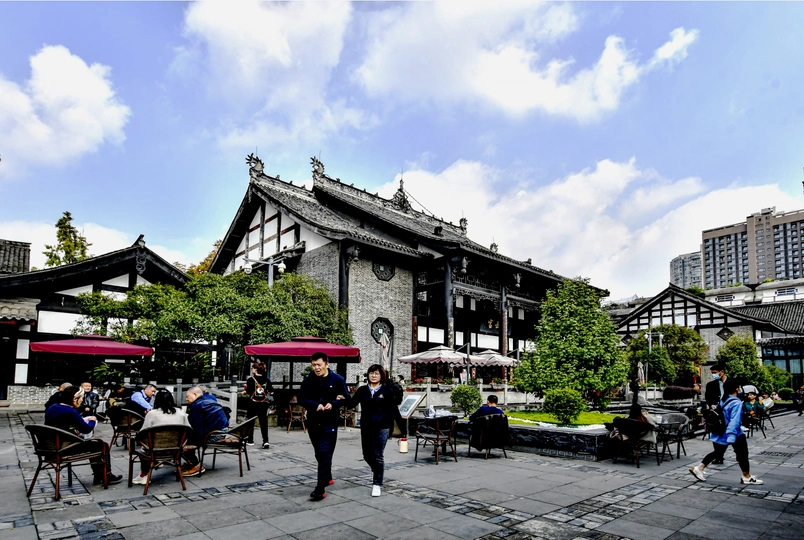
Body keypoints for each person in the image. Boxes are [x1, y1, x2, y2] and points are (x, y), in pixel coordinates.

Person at [344, 364, 405, 497]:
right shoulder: (362, 390)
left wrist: (402, 429)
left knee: (378, 455)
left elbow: (394, 410)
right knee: (366, 455)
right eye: (371, 373)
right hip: (366, 427)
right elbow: (351, 404)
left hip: (382, 427)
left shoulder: (387, 391)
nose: (373, 375)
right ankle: (378, 470)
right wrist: (342, 398)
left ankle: (377, 483)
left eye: (377, 373)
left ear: (381, 375)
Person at [690, 378, 763, 485]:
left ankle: (699, 468)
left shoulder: (724, 399)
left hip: (723, 431)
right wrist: (731, 436)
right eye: (739, 387)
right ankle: (746, 476)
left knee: (718, 452)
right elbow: (735, 421)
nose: (741, 389)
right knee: (742, 454)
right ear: (736, 388)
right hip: (734, 433)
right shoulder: (736, 403)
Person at [44, 386, 123, 485]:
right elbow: (86, 429)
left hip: (49, 446)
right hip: (65, 448)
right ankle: (106, 474)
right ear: (75, 399)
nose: (82, 400)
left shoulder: (52, 407)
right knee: (102, 445)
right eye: (81, 397)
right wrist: (92, 420)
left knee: (93, 445)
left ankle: (100, 475)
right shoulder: (70, 411)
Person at [298, 352, 349, 501]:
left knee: (324, 452)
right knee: (319, 453)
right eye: (314, 365)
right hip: (313, 421)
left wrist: (334, 403)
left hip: (330, 422)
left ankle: (320, 489)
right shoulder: (308, 380)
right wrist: (315, 405)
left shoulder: (337, 379)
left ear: (327, 364)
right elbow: (301, 398)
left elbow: (346, 398)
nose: (316, 368)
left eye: (319, 365)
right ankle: (327, 476)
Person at [131, 389, 191, 485]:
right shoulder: (181, 413)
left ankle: (144, 474)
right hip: (175, 449)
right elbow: (188, 429)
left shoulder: (152, 414)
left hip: (155, 449)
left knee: (143, 447)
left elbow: (143, 432)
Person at [181, 386, 230, 477]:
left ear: (195, 394)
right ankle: (190, 462)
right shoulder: (209, 400)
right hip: (222, 432)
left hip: (213, 435)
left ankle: (195, 465)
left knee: (181, 443)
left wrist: (196, 443)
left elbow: (197, 426)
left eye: (188, 396)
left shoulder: (197, 405)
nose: (186, 399)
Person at [245, 362, 273, 449]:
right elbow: (271, 391)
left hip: (253, 403)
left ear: (256, 369)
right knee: (263, 422)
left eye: (253, 368)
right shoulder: (267, 380)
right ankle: (265, 441)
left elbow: (249, 391)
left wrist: (244, 391)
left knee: (250, 421)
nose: (252, 369)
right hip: (263, 403)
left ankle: (250, 440)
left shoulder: (250, 380)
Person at [704, 364, 728, 463]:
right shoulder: (711, 385)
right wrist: (711, 405)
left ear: (722, 372)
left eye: (715, 372)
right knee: (716, 434)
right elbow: (708, 397)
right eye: (712, 373)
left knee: (726, 435)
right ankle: (719, 457)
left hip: (728, 412)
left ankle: (719, 455)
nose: (713, 375)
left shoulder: (731, 383)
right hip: (716, 413)